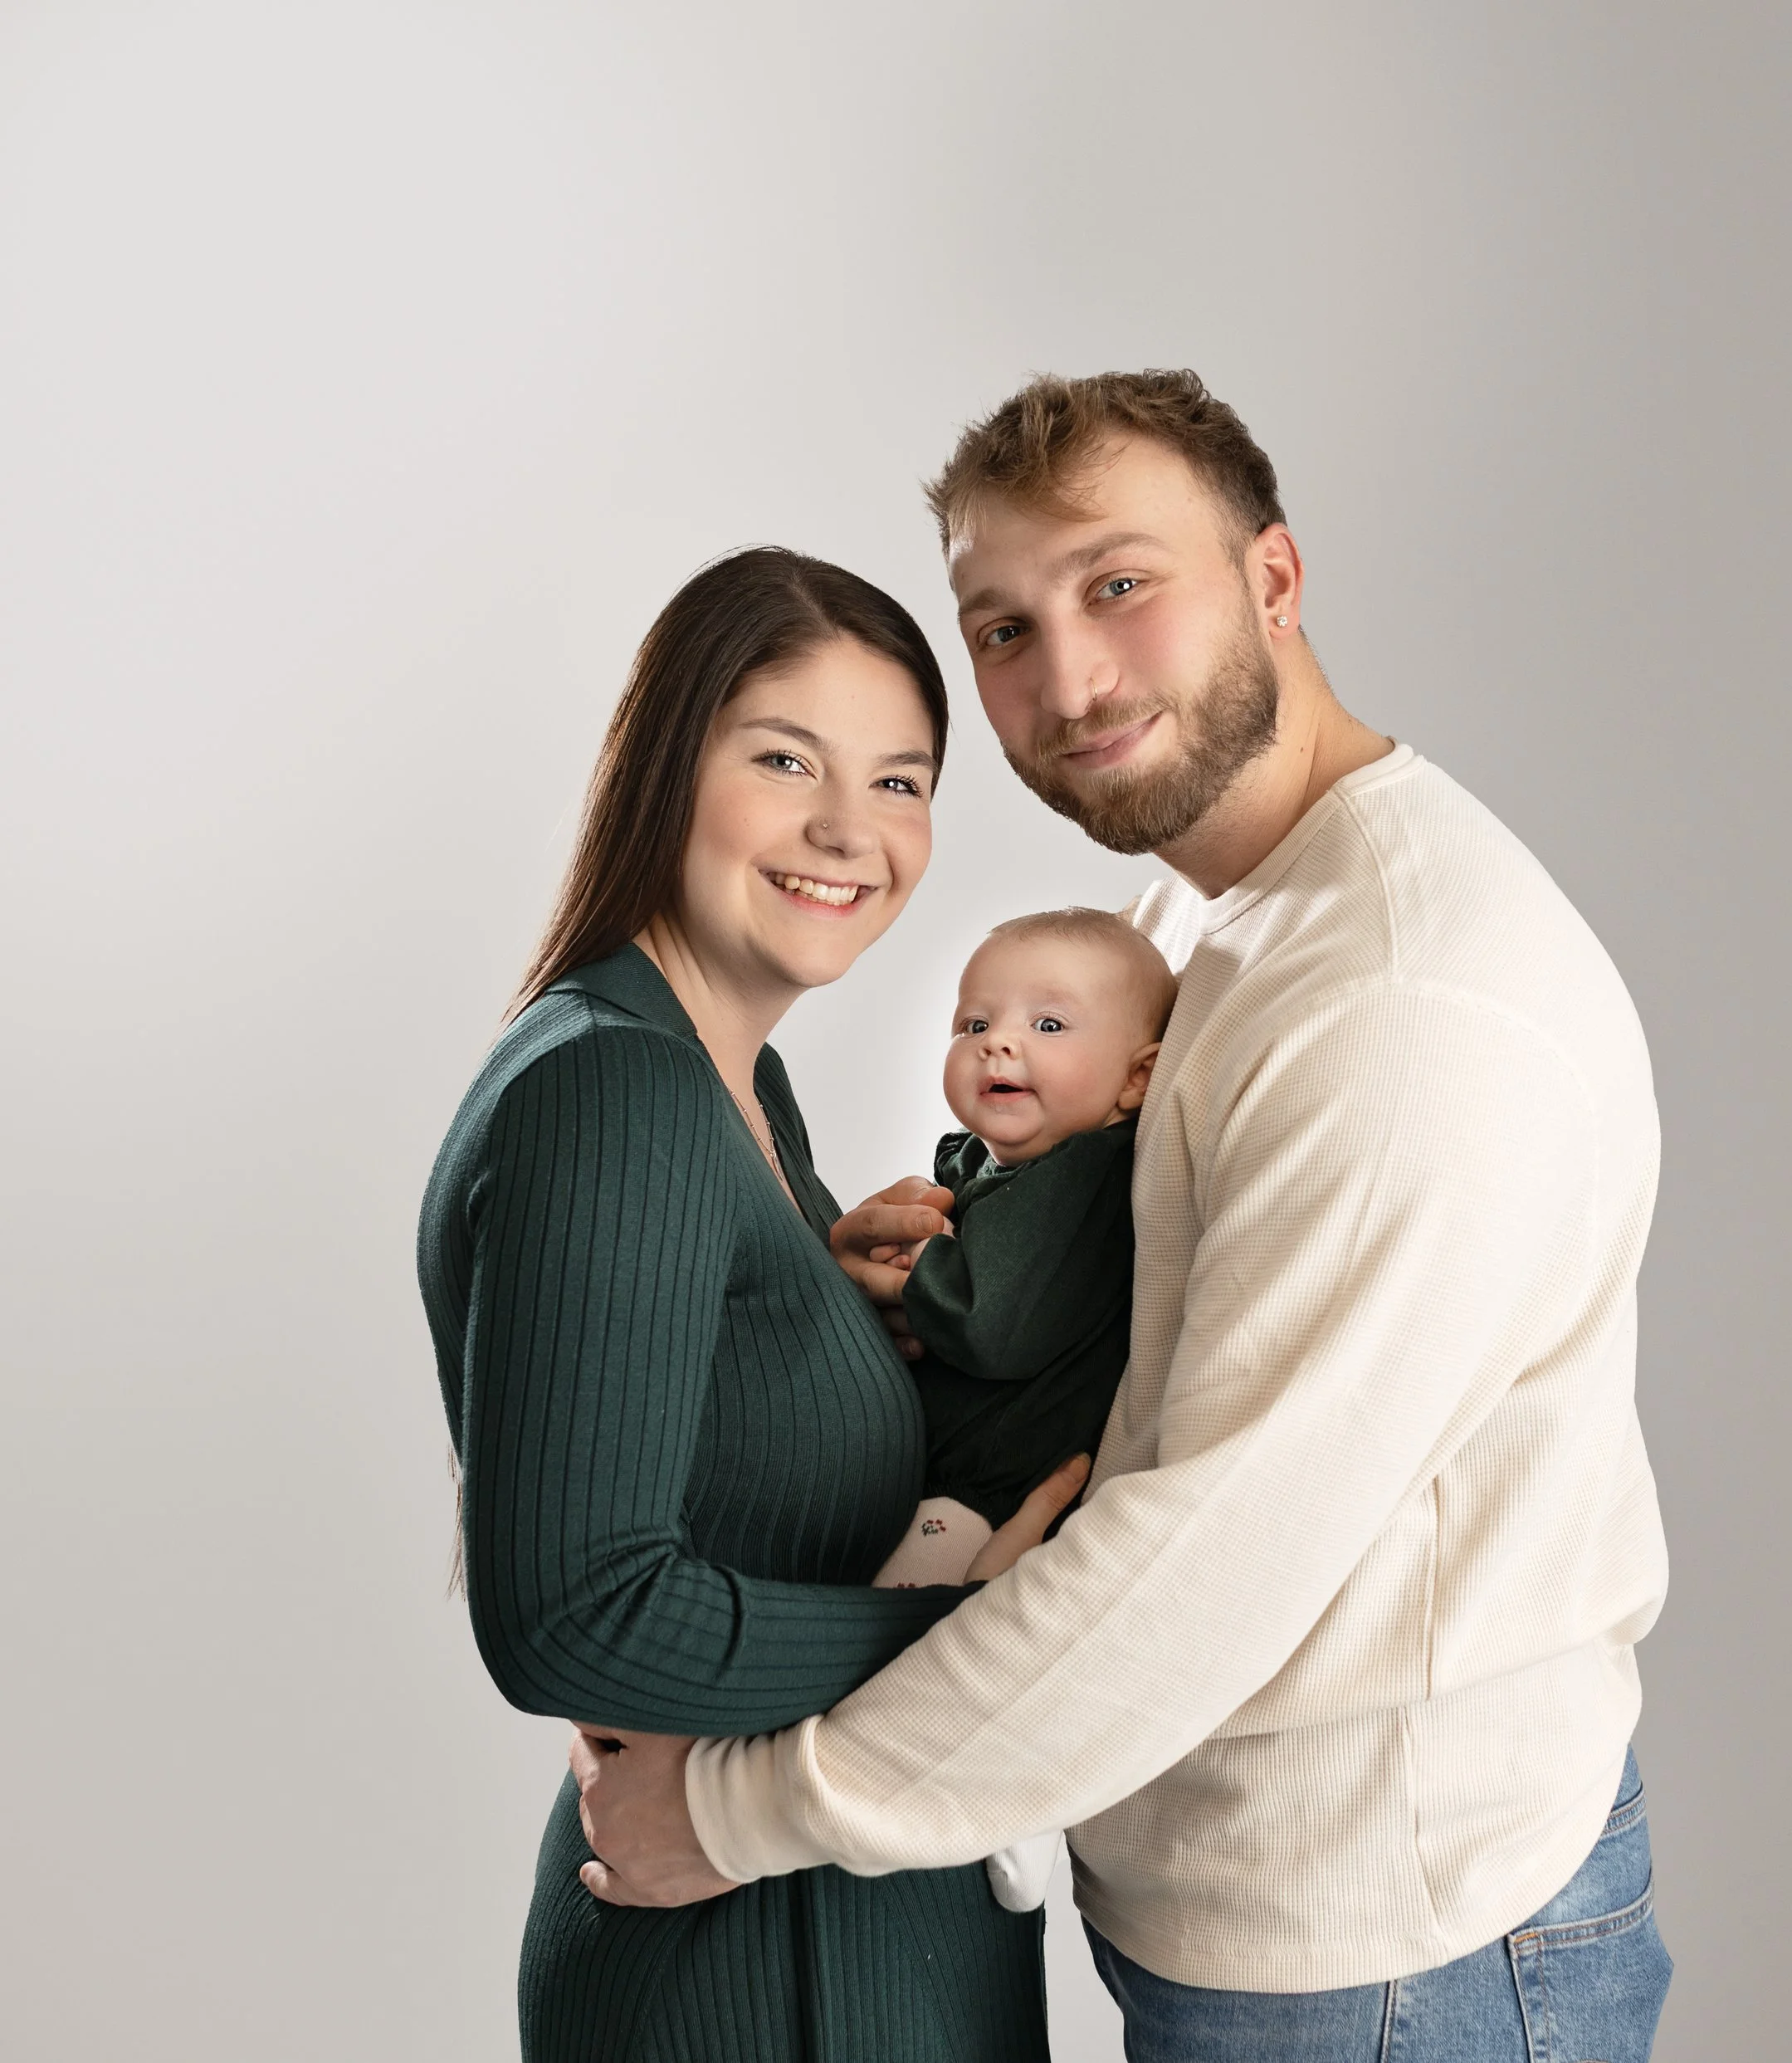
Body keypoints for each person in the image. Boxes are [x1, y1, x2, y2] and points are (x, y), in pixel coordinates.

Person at [573, 373, 1676, 2063]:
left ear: (1272, 583)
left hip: (1401, 1961)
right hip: (1275, 1930)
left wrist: (731, 1816)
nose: (1065, 682)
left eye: (1116, 586)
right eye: (1000, 627)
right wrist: (953, 1268)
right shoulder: (1204, 910)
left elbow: (1193, 1575)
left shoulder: (1399, 1004)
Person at [418, 546, 1082, 2063]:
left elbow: (721, 1459)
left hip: (834, 1931)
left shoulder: (736, 1087)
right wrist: (981, 1642)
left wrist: (834, 1317)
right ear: (667, 762)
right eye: (785, 759)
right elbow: (574, 1616)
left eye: (902, 781)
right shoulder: (619, 1094)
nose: (850, 831)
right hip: (763, 1971)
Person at [870, 907, 1175, 1912]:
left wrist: (910, 1277)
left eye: (1049, 1026)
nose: (998, 1040)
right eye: (975, 1023)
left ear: (1135, 1080)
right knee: (940, 1654)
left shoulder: (1081, 1173)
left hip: (992, 1486)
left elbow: (991, 1321)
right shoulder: (1001, 1164)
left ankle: (1012, 1801)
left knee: (903, 1653)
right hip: (970, 1471)